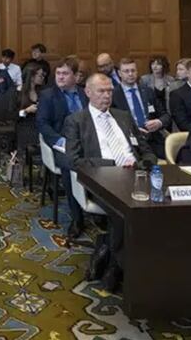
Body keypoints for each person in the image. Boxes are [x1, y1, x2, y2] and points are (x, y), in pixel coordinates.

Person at [61, 73, 157, 290]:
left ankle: (119, 255)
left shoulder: (123, 116)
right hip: (102, 180)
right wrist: (112, 164)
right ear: (88, 92)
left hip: (137, 175)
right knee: (126, 213)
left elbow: (146, 150)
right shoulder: (77, 121)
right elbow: (73, 160)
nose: (107, 95)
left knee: (162, 207)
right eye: (101, 91)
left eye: (110, 91)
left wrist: (144, 163)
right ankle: (118, 267)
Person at [35, 58, 88, 236]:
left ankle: (101, 207)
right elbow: (42, 124)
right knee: (70, 164)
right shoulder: (48, 95)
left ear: (75, 76)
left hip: (88, 143)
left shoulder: (85, 93)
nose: (60, 77)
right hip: (62, 145)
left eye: (65, 73)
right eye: (58, 73)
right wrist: (60, 142)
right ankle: (77, 218)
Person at [110, 58, 170, 159]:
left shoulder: (148, 91)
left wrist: (159, 122)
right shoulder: (114, 95)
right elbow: (111, 122)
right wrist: (134, 129)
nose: (130, 74)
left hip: (153, 139)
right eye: (126, 71)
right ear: (119, 73)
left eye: (133, 70)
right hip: (130, 140)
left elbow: (166, 116)